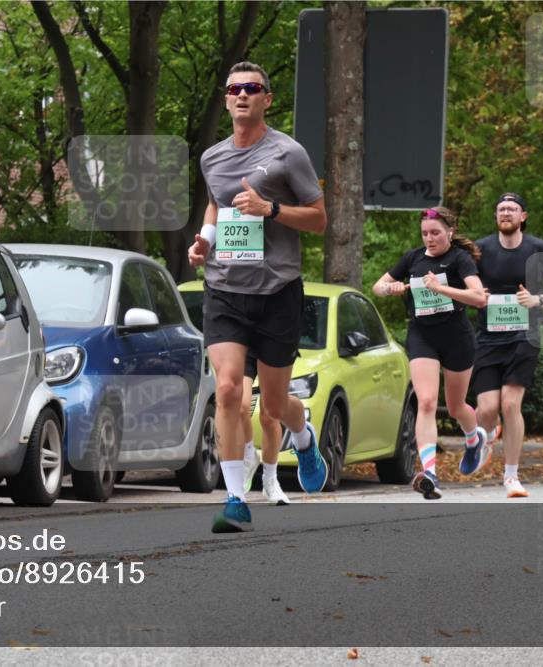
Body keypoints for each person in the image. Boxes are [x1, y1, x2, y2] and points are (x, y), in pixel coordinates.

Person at [189, 61, 328, 533]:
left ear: (267, 98)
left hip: (277, 291)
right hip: (225, 288)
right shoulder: (212, 157)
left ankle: (303, 433)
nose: (242, 94)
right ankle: (234, 498)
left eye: (252, 88)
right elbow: (215, 200)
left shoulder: (289, 154)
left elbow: (318, 218)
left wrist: (270, 208)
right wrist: (204, 239)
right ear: (227, 99)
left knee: (272, 406)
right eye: (234, 89)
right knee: (228, 389)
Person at [373, 207, 488, 500]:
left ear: (450, 232)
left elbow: (479, 298)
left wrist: (441, 288)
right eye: (425, 233)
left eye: (435, 233)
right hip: (422, 334)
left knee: (455, 406)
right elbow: (378, 286)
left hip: (456, 336)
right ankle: (430, 474)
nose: (429, 238)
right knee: (425, 402)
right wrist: (391, 288)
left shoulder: (459, 260)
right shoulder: (413, 258)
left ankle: (474, 438)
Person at [472, 192, 543, 498]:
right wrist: (477, 295)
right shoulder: (480, 249)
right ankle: (487, 433)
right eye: (501, 209)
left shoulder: (537, 248)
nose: (506, 213)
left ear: (523, 216)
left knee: (510, 404)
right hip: (488, 338)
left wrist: (537, 299)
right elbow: (463, 285)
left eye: (512, 209)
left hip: (524, 337)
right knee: (486, 409)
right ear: (495, 216)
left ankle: (511, 476)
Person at [240, 355, 289, 505]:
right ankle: (249, 454)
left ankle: (270, 479)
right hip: (244, 341)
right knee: (240, 407)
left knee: (269, 417)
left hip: (272, 342)